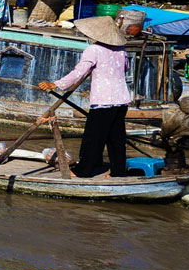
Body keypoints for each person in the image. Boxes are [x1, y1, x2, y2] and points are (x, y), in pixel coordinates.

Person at [37, 16, 132, 178]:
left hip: (103, 100)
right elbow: (126, 68)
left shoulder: (93, 50)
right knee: (116, 138)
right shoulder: (121, 50)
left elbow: (79, 72)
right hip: (121, 99)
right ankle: (118, 172)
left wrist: (56, 84)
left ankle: (84, 171)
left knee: (93, 137)